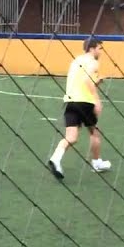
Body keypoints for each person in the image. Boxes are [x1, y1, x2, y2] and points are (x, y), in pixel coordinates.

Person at [46, 37, 112, 178]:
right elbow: (87, 80)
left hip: (70, 102)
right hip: (85, 102)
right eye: (99, 48)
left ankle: (56, 158)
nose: (101, 52)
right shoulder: (93, 62)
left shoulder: (76, 61)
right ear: (92, 48)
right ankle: (97, 163)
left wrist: (97, 81)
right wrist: (97, 100)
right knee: (94, 132)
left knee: (71, 137)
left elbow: (82, 80)